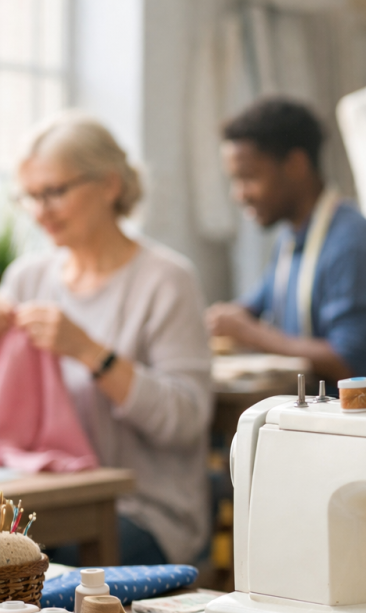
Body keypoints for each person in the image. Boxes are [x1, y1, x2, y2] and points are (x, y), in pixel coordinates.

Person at [0, 112, 212, 565]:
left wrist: (88, 351)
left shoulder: (167, 281)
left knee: (35, 569)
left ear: (110, 185)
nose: (40, 211)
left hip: (145, 513)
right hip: (43, 504)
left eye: (55, 192)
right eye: (31, 196)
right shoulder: (26, 278)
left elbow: (187, 419)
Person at [205, 97, 366, 394]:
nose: (239, 195)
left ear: (296, 164)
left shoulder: (352, 245)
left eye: (249, 178)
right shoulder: (291, 238)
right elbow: (253, 306)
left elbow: (351, 365)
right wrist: (217, 321)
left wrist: (249, 333)